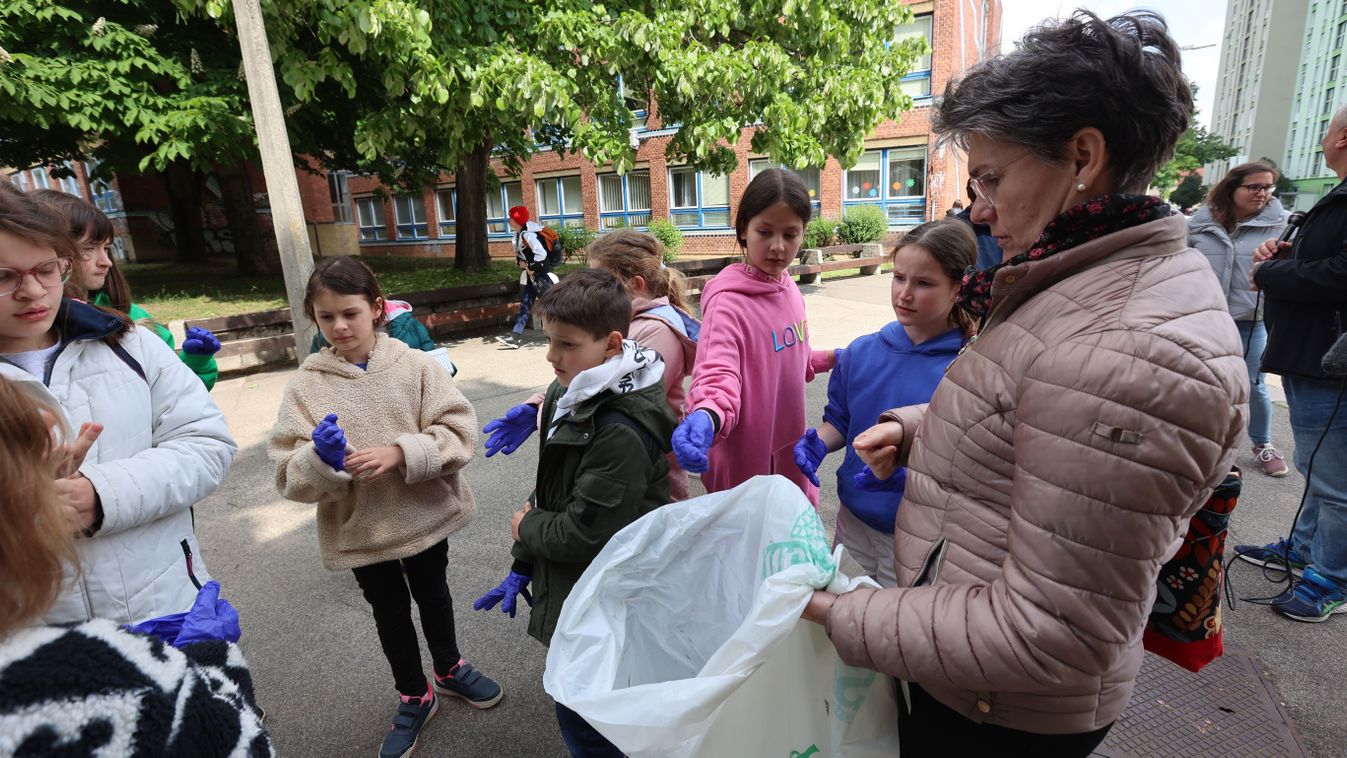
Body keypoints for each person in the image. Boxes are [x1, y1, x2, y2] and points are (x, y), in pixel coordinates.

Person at [801, 12, 1247, 756]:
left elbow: (1050, 634)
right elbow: (1040, 413)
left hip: (993, 710)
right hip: (964, 665)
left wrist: (833, 611)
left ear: (1082, 155)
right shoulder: (1086, 278)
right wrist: (920, 429)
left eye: (991, 177)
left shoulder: (1129, 350)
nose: (977, 207)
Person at [268, 256, 501, 758]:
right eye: (325, 317)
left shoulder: (416, 366)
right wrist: (319, 459)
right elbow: (287, 472)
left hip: (424, 514)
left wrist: (402, 452)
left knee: (434, 594)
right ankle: (414, 694)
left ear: (376, 308)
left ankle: (449, 668)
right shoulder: (307, 383)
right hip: (361, 528)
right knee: (389, 612)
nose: (339, 326)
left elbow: (460, 432)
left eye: (349, 313)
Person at [0, 183, 237, 627]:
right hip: (31, 645)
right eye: (3, 277)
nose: (32, 292)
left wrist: (101, 495)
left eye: (46, 269)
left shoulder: (129, 344)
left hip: (166, 610)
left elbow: (207, 445)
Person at [0, 376, 274, 757]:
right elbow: (237, 745)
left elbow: (206, 442)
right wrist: (213, 665)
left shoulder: (134, 349)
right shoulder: (116, 672)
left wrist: (89, 492)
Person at [474, 269, 677, 758]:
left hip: (609, 594)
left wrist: (526, 528)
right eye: (548, 341)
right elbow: (557, 489)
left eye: (565, 344)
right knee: (582, 703)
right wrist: (524, 560)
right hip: (579, 585)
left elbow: (584, 533)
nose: (551, 356)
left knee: (592, 718)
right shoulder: (573, 391)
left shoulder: (620, 429)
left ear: (611, 345)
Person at [793, 220, 974, 587]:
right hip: (853, 522)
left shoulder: (969, 367)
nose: (904, 293)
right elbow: (841, 421)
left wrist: (906, 472)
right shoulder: (861, 352)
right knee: (842, 619)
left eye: (923, 283)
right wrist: (818, 442)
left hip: (919, 535)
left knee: (892, 636)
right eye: (899, 277)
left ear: (958, 287)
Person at [482, 229, 699, 500]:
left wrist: (547, 411)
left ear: (636, 284)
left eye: (603, 278)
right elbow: (586, 376)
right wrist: (540, 404)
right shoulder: (620, 322)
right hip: (613, 469)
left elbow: (608, 396)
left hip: (643, 482)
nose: (593, 286)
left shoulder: (658, 332)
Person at [1239, 106, 1347, 622]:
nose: (1323, 139)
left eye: (1326, 131)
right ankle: (1305, 551)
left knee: (1336, 481)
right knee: (1318, 468)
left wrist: (1275, 273)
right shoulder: (1338, 195)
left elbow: (1340, 273)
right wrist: (1285, 254)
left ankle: (1332, 579)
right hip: (1312, 358)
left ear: (1342, 137)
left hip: (1331, 364)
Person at [670, 168, 834, 504]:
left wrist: (837, 358)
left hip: (788, 452)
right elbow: (718, 372)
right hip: (745, 462)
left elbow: (793, 357)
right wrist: (706, 414)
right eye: (765, 231)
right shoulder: (728, 303)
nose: (777, 247)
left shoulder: (789, 289)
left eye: (791, 234)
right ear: (743, 229)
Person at [34, 189, 223, 390]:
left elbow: (177, 395)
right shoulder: (30, 327)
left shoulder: (132, 317)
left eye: (106, 248)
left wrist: (197, 362)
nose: (106, 262)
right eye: (88, 249)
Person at [1188, 162, 1290, 477]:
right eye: (1254, 186)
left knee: (1254, 386)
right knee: (1198, 383)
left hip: (1250, 322)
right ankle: (1198, 444)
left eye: (1268, 187)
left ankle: (1262, 443)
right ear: (1232, 188)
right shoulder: (1197, 224)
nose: (1262, 193)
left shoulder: (1283, 225)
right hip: (1203, 320)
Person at [496, 205, 558, 349]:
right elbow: (520, 257)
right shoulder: (518, 235)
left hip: (541, 276)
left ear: (517, 219)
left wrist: (530, 267)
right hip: (531, 276)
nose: (508, 220)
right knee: (525, 305)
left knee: (552, 306)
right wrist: (522, 264)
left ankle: (563, 333)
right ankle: (515, 337)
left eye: (510, 217)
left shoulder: (527, 235)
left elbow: (541, 254)